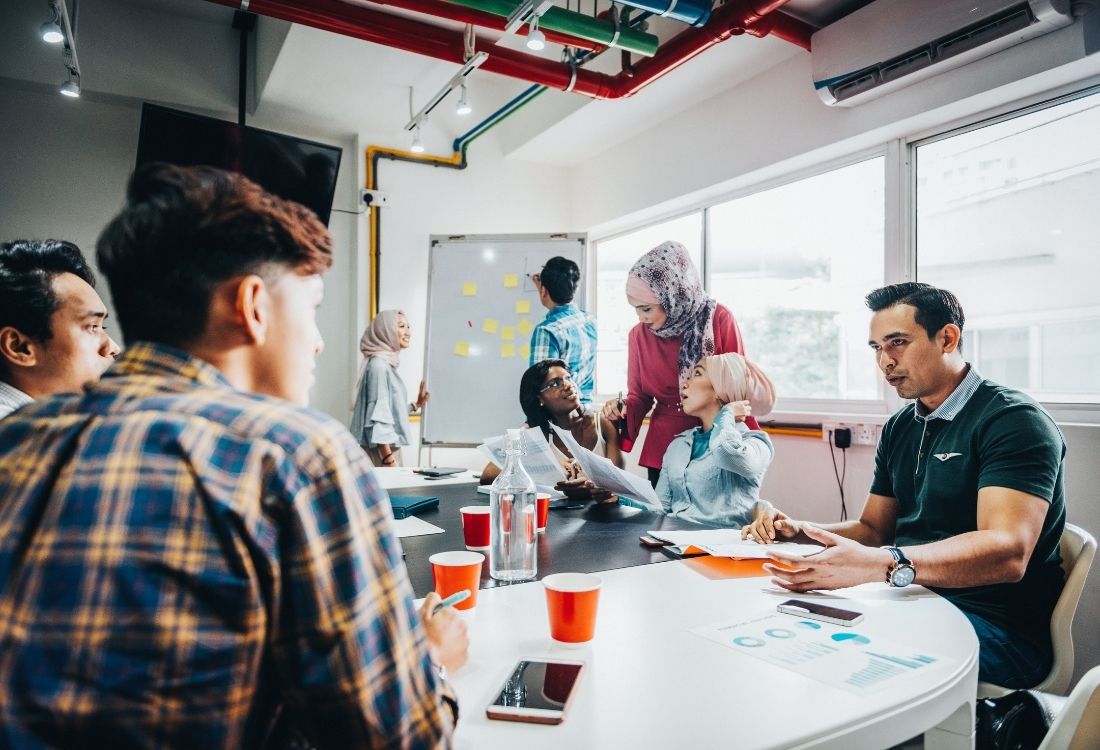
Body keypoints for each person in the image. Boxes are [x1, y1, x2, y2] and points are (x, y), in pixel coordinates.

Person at [0, 164, 467, 748]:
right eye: (312, 306)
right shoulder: (296, 453)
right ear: (252, 306)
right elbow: (400, 740)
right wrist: (434, 665)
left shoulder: (15, 439)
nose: (318, 340)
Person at [742, 282, 1066, 689]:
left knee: (837, 661)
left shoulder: (1013, 420)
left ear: (947, 338)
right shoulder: (900, 426)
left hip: (996, 627)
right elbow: (874, 530)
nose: (885, 361)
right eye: (876, 347)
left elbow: (1008, 552)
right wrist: (798, 532)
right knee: (784, 630)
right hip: (905, 599)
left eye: (897, 343)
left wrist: (883, 564)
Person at [602, 240, 757, 487]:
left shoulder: (718, 319)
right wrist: (619, 408)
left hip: (715, 442)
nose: (641, 318)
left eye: (646, 309)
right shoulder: (638, 336)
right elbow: (639, 397)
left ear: (672, 296)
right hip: (663, 447)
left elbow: (737, 386)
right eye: (636, 310)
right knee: (660, 523)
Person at [0, 238, 121, 419]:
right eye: (92, 327)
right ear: (19, 347)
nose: (113, 348)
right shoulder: (24, 438)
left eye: (102, 326)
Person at [656, 353, 776, 527]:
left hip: (724, 549)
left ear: (721, 388)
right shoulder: (678, 445)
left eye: (697, 374)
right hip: (674, 544)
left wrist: (726, 414)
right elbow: (659, 508)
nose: (684, 383)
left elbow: (725, 453)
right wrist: (621, 500)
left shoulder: (756, 442)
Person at [480, 359, 623, 498]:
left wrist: (590, 487)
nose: (568, 385)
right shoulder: (533, 431)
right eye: (555, 383)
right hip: (557, 516)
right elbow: (488, 475)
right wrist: (548, 465)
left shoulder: (602, 423)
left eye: (568, 378)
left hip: (603, 512)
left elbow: (618, 481)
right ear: (539, 399)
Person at [350, 309, 429, 467]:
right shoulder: (379, 366)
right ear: (384, 330)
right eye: (401, 326)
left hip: (386, 451)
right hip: (383, 454)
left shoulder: (385, 364)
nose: (408, 333)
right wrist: (388, 460)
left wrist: (416, 405)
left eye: (408, 327)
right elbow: (378, 420)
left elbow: (388, 412)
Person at [529, 256, 598, 405]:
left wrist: (533, 422)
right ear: (575, 288)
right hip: (586, 411)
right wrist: (543, 289)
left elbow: (540, 386)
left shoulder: (547, 331)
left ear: (543, 291)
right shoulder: (589, 320)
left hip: (562, 417)